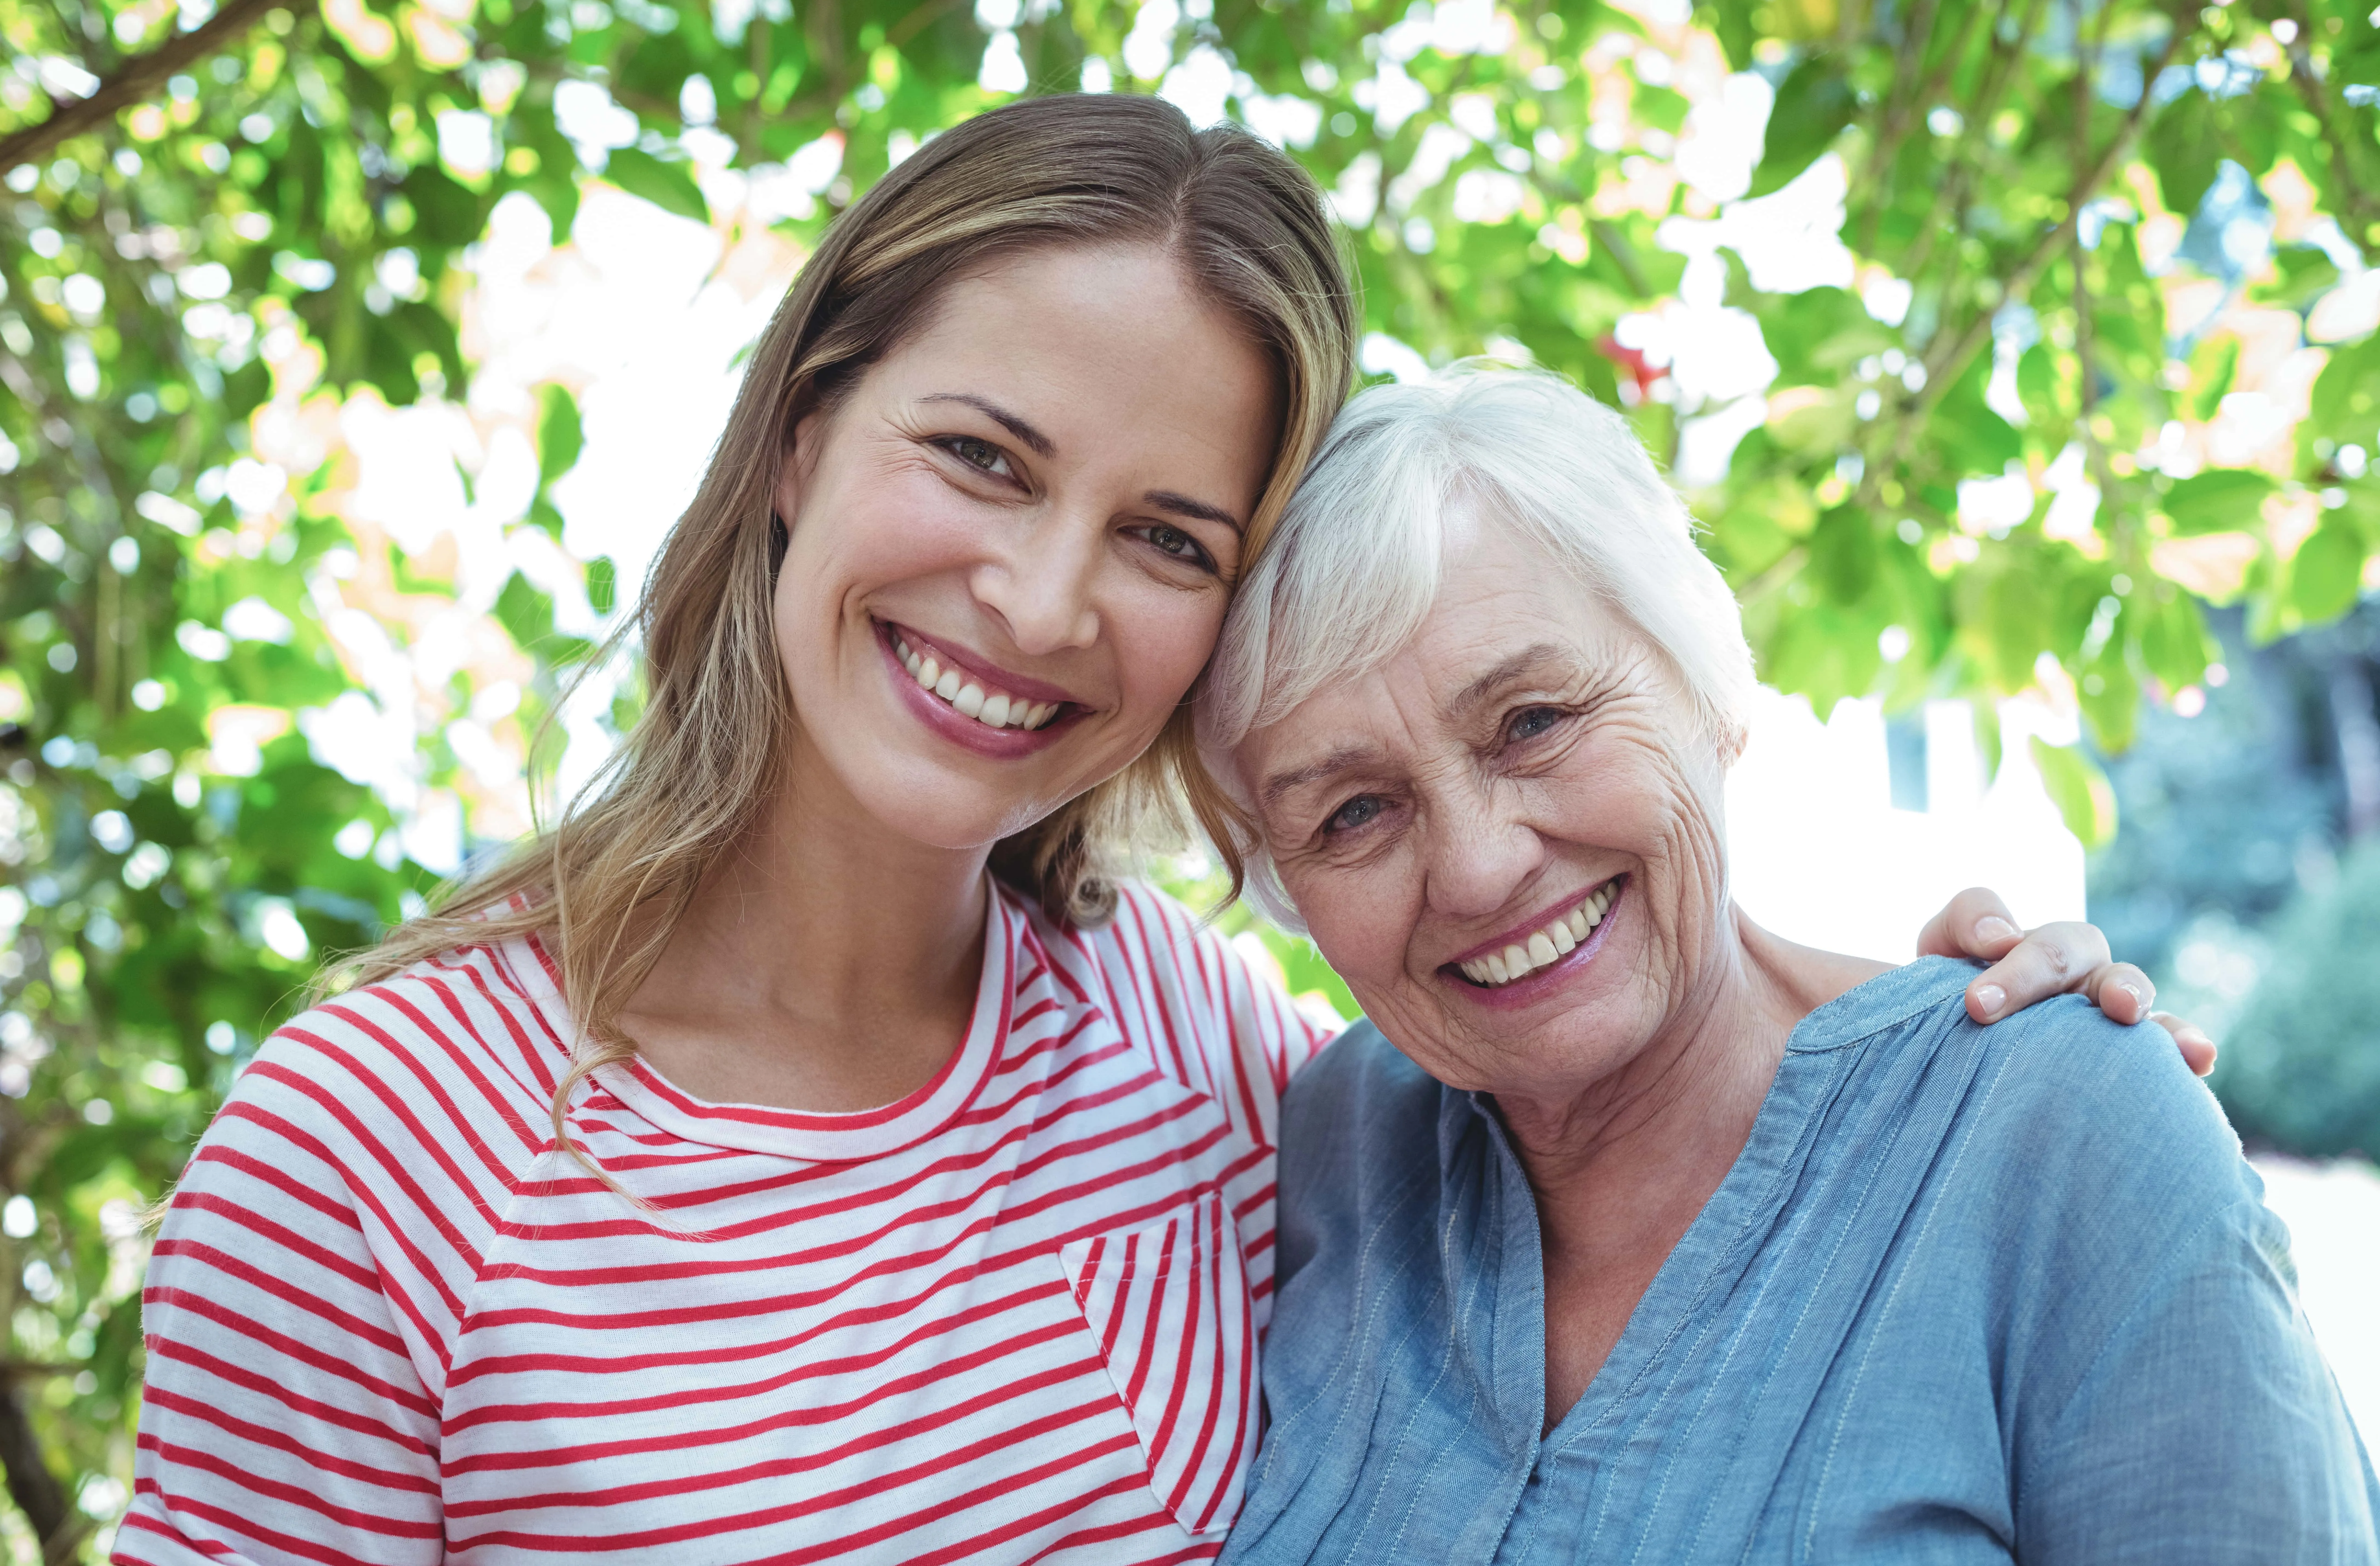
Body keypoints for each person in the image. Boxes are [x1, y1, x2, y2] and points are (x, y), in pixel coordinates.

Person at [122, 100, 2183, 1566]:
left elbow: (1601, 1066)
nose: (1038, 600)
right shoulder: (366, 1148)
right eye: (980, 459)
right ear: (800, 433)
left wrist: (1981, 1041)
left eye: (1162, 537)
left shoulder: (1202, 1048)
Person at [1202, 364, 2380, 1565]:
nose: (1477, 867)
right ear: (1286, 885)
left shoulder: (2060, 1129)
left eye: (1535, 720)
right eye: (1352, 812)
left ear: (1709, 685)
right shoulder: (1328, 1140)